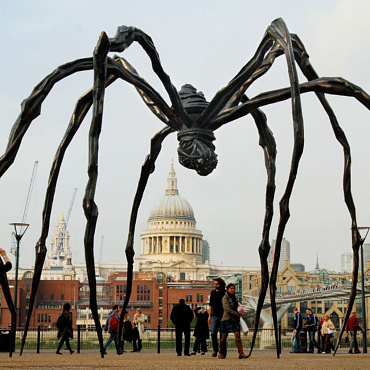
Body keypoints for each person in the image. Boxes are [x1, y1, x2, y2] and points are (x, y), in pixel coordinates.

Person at [218, 283, 247, 359]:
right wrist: (237, 314)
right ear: (227, 289)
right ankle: (220, 351)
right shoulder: (225, 298)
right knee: (224, 337)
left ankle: (241, 352)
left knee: (237, 337)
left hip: (234, 320)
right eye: (231, 288)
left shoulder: (235, 297)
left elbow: (237, 306)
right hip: (227, 320)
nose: (232, 290)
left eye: (233, 288)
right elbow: (227, 309)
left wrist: (240, 312)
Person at [208, 277, 226, 357]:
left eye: (216, 284)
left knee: (223, 335)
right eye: (214, 284)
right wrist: (209, 316)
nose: (215, 285)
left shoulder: (225, 293)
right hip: (214, 316)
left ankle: (222, 351)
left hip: (223, 316)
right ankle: (215, 349)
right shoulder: (213, 292)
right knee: (213, 333)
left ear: (220, 284)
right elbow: (210, 305)